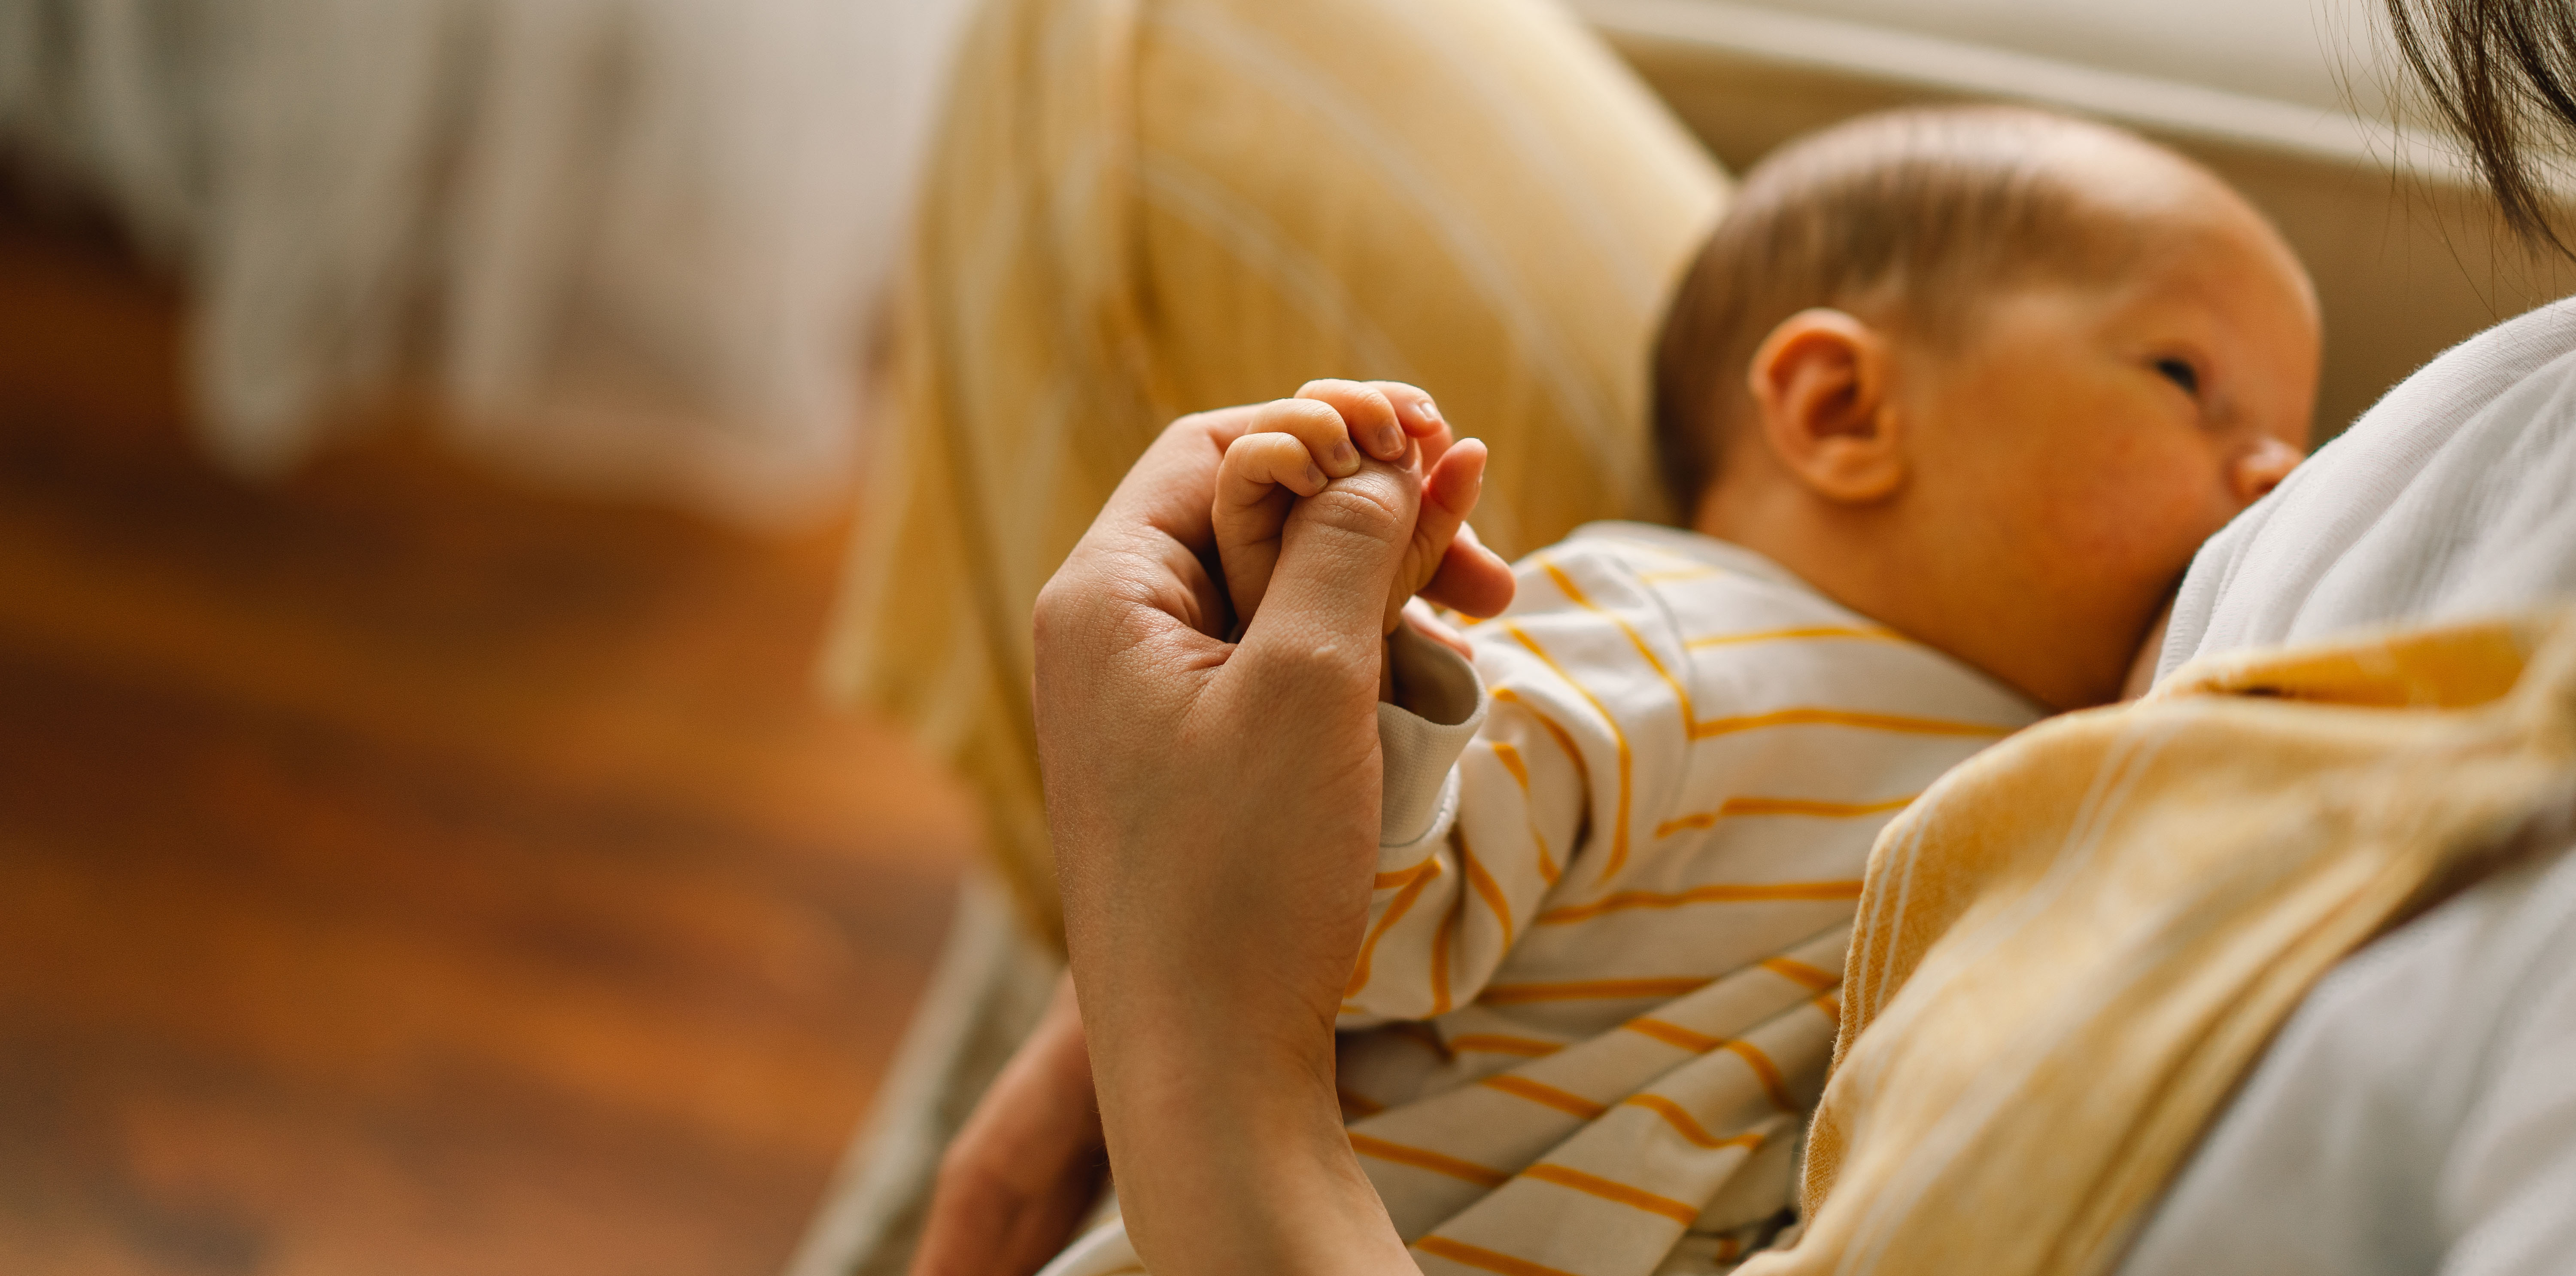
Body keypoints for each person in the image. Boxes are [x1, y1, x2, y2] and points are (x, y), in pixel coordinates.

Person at [1003, 0, 2576, 1272]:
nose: (2278, 480)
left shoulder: (2035, 769)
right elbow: (1320, 911)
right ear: (1842, 407)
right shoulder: (1674, 641)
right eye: (2185, 380)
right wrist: (1366, 670)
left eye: (2292, 440)